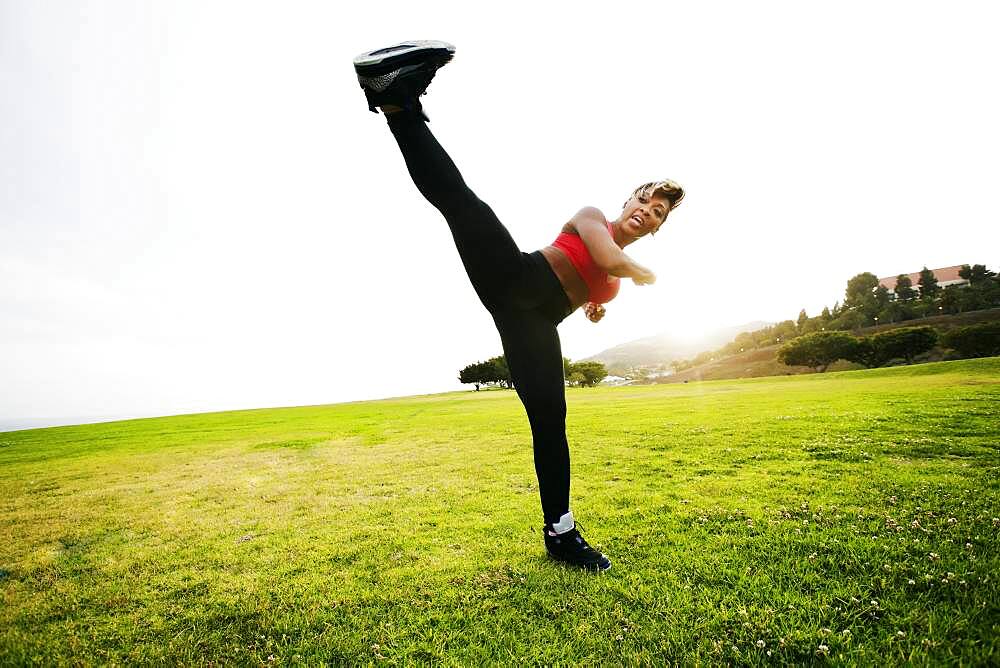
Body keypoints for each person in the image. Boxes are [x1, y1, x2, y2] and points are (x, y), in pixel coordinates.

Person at [353, 41, 684, 572]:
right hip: (514, 273)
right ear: (627, 202)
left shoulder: (616, 279)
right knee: (463, 204)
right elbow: (603, 257)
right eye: (643, 200)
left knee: (551, 418)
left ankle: (560, 532)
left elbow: (593, 293)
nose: (647, 210)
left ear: (661, 225)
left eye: (658, 210)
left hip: (531, 322)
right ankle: (396, 101)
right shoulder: (593, 215)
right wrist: (636, 271)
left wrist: (598, 307)